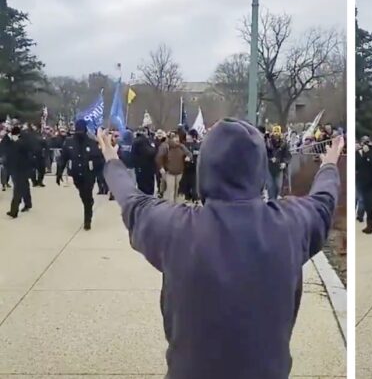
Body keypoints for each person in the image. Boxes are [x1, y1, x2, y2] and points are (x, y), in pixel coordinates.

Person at [97, 119, 342, 378]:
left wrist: (113, 162)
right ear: (258, 172)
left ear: (206, 170)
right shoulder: (292, 224)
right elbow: (324, 201)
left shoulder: (176, 228)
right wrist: (328, 166)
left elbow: (132, 201)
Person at [56, 119, 105, 230]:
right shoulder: (69, 143)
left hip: (89, 174)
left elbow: (99, 160)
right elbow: (63, 158)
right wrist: (59, 173)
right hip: (76, 174)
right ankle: (88, 202)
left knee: (87, 195)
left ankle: (87, 219)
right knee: (83, 195)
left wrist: (100, 175)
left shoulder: (91, 142)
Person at [2, 126, 33, 218]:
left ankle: (14, 211)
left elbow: (13, 156)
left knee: (18, 190)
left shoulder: (19, 143)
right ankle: (28, 203)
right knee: (25, 186)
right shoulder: (25, 141)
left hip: (19, 169)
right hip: (23, 168)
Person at [156, 131, 192, 203]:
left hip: (179, 172)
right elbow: (159, 157)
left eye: (177, 137)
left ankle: (175, 207)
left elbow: (189, 154)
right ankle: (171, 207)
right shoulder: (165, 146)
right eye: (174, 137)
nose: (176, 139)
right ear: (170, 138)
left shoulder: (181, 146)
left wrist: (188, 157)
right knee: (171, 191)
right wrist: (161, 167)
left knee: (177, 190)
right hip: (169, 172)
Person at [356, 136, 372, 234]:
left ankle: (371, 224)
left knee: (371, 205)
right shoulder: (358, 153)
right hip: (362, 182)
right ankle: (368, 222)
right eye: (363, 142)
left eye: (367, 142)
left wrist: (367, 153)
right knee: (366, 204)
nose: (365, 144)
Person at [131, 127, 159, 195]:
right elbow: (150, 153)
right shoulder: (142, 141)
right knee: (147, 189)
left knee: (141, 188)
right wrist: (155, 148)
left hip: (139, 168)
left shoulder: (135, 140)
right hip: (146, 169)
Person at [266, 127, 291, 201]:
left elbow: (287, 155)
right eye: (275, 132)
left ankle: (275, 199)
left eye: (277, 132)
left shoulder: (284, 144)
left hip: (279, 168)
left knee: (278, 186)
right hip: (269, 168)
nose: (276, 133)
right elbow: (264, 154)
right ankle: (271, 201)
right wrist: (270, 159)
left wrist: (284, 163)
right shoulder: (268, 143)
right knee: (270, 186)